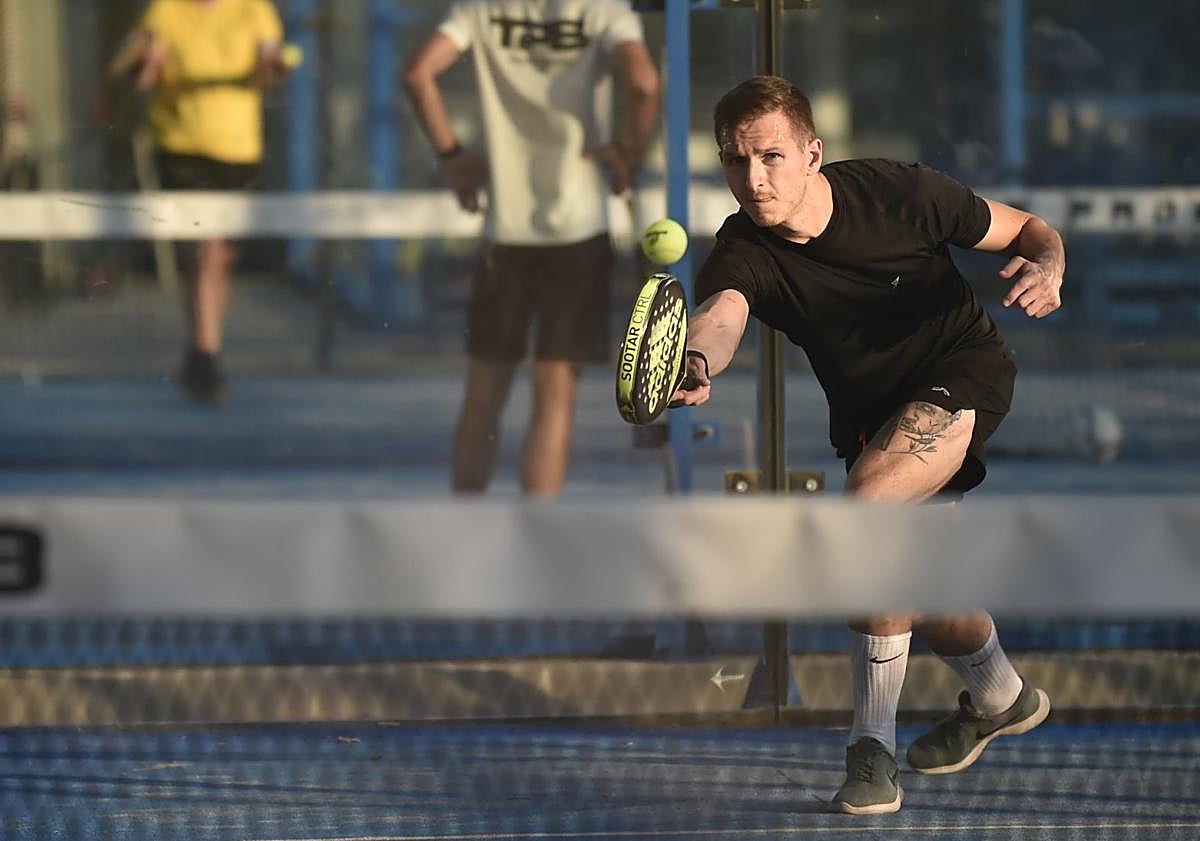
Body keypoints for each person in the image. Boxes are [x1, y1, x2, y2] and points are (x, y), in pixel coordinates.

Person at [672, 76, 1064, 815]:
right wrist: (694, 361)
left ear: (813, 153)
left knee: (870, 510)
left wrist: (1049, 267)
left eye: (771, 156)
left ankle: (872, 748)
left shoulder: (900, 193)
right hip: (871, 419)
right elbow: (721, 318)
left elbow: (1028, 230)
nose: (752, 179)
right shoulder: (744, 248)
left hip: (962, 371)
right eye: (734, 160)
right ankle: (1002, 695)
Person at [404, 0, 660, 498]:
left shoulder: (481, 7)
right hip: (578, 225)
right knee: (554, 396)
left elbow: (418, 73)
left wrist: (452, 156)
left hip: (506, 226)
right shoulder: (602, 8)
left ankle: (463, 532)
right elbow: (644, 82)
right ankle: (536, 538)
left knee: (482, 396)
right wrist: (628, 150)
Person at [109, 0, 291, 405]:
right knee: (205, 249)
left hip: (237, 147)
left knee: (219, 255)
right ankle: (207, 355)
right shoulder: (165, 10)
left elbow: (273, 70)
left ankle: (201, 349)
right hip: (181, 145)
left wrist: (271, 66)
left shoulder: (254, 10)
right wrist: (146, 61)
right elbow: (128, 68)